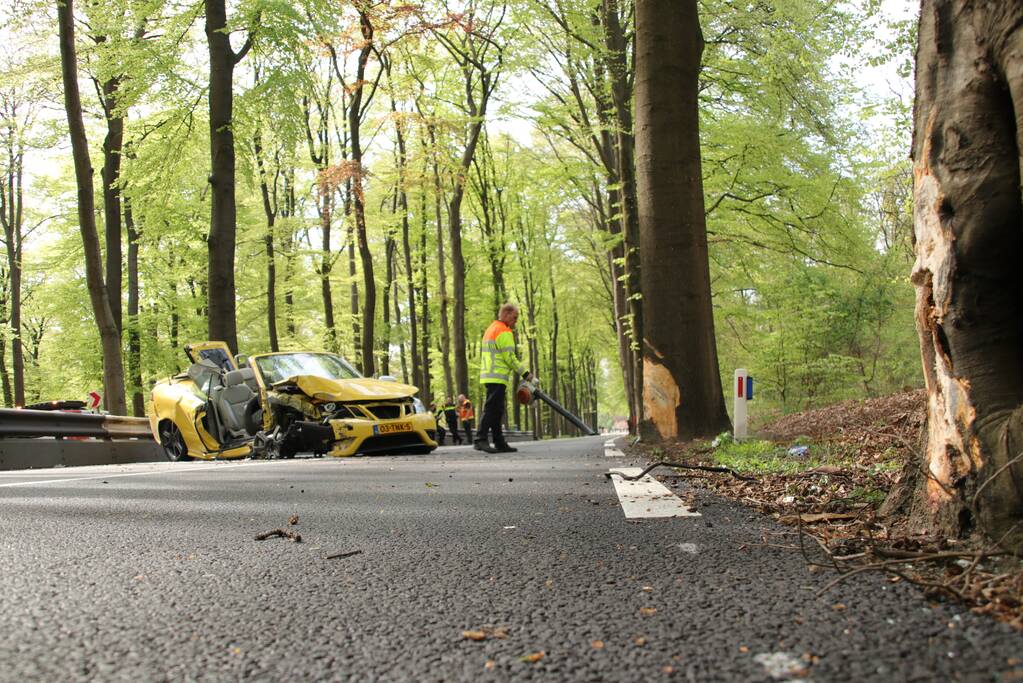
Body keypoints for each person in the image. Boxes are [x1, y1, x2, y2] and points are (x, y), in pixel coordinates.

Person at [475, 303, 532, 454]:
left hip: (489, 375)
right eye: (514, 318)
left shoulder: (491, 329)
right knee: (491, 409)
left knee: (497, 410)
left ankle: (499, 441)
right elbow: (510, 358)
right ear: (506, 315)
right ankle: (480, 439)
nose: (516, 321)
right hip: (497, 376)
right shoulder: (503, 331)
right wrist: (525, 373)